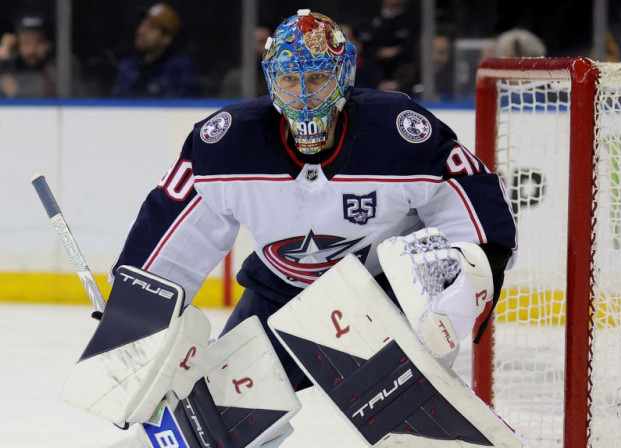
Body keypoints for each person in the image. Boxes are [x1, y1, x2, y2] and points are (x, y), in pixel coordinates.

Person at [107, 9, 516, 446]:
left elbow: (475, 210)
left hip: (380, 299)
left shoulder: (399, 134)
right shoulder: (226, 145)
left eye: (318, 78)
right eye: (288, 81)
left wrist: (459, 281)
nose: (303, 96)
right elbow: (171, 232)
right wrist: (132, 323)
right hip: (278, 296)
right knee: (210, 427)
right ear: (270, 81)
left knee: (413, 431)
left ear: (344, 73)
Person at [111, 3, 201, 98]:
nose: (141, 31)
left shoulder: (179, 70)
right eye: (142, 24)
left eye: (151, 28)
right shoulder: (128, 67)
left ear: (166, 38)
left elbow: (183, 108)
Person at [0, 15, 56, 98]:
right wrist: (3, 53)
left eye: (38, 42)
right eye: (26, 42)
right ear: (16, 45)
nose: (31, 50)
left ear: (47, 45)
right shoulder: (7, 68)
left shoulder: (63, 67)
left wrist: (17, 92)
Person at [219, 24, 272, 98]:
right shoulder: (235, 79)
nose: (265, 48)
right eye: (261, 42)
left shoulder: (277, 78)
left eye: (269, 44)